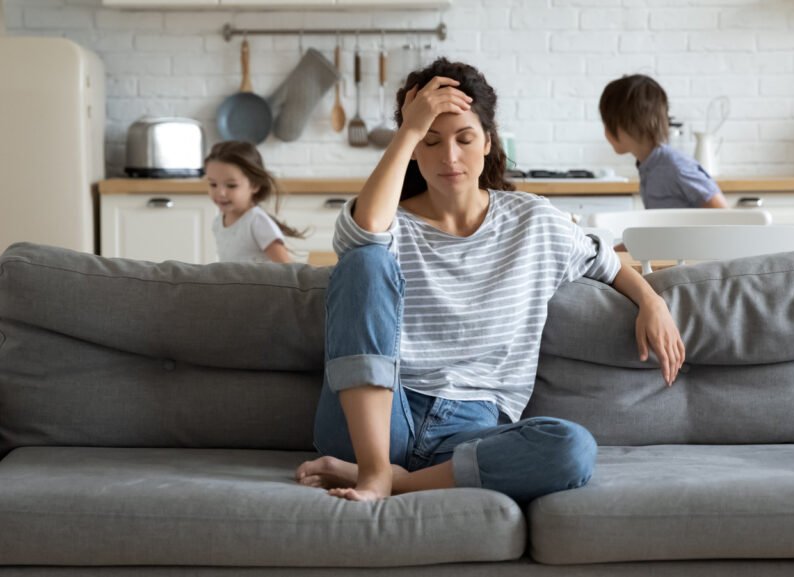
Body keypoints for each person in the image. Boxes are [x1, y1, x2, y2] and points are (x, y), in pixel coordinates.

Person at [295, 59, 685, 503]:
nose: (449, 157)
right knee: (364, 260)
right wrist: (408, 127)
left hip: (470, 430)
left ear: (487, 143)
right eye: (430, 140)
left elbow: (609, 264)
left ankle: (391, 480)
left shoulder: (533, 222)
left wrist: (652, 301)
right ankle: (373, 467)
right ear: (413, 149)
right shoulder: (389, 223)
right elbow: (364, 233)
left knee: (572, 448)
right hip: (377, 414)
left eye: (464, 139)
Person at [599, 74, 728, 209]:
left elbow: (723, 214)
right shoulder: (648, 165)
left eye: (607, 123)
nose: (606, 131)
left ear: (628, 124)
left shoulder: (676, 166)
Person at [204, 141, 305, 264]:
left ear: (255, 185)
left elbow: (288, 268)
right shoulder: (218, 222)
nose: (220, 192)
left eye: (231, 185)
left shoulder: (257, 222)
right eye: (213, 184)